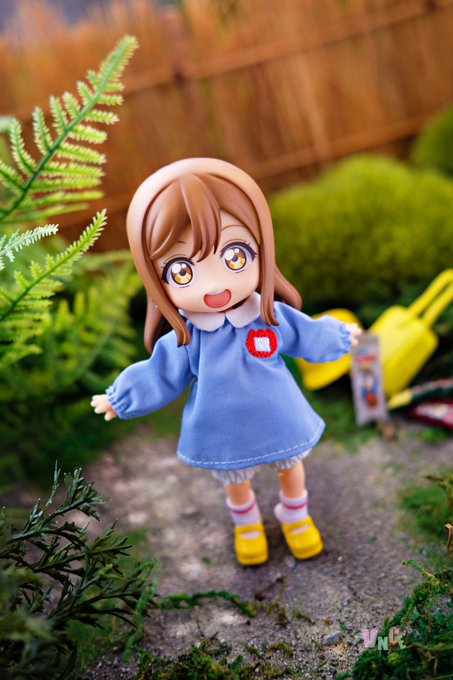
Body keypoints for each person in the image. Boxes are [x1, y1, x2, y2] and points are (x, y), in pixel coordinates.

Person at [91, 158, 361, 566]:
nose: (214, 284)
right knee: (236, 480)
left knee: (291, 466)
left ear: (261, 249)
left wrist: (338, 336)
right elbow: (159, 373)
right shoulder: (188, 338)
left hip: (279, 415)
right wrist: (121, 398)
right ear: (156, 280)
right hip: (224, 428)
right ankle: (247, 523)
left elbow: (305, 333)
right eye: (182, 271)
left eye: (235, 256)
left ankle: (295, 513)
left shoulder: (267, 316)